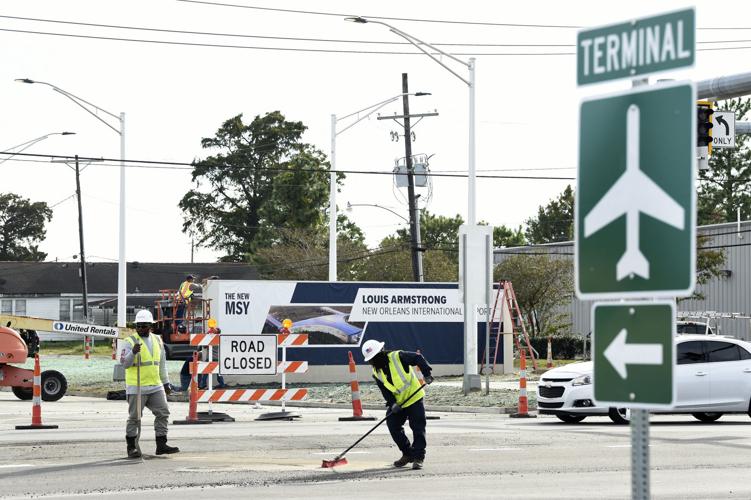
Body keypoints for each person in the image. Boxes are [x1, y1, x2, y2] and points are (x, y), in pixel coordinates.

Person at [362, 339, 434, 470]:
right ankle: (408, 453)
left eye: (374, 358)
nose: (372, 362)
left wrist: (427, 374)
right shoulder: (376, 372)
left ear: (381, 353)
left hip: (414, 398)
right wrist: (392, 403)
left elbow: (418, 358)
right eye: (370, 360)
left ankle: (418, 457)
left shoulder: (398, 357)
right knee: (393, 425)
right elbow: (385, 390)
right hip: (399, 402)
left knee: (418, 428)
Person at [121, 309, 180, 458]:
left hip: (155, 385)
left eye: (144, 326)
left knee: (163, 413)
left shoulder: (158, 340)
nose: (140, 329)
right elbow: (125, 364)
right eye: (138, 326)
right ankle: (131, 447)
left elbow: (161, 364)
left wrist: (166, 383)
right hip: (137, 387)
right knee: (134, 418)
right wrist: (133, 352)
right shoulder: (129, 342)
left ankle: (161, 445)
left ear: (150, 326)